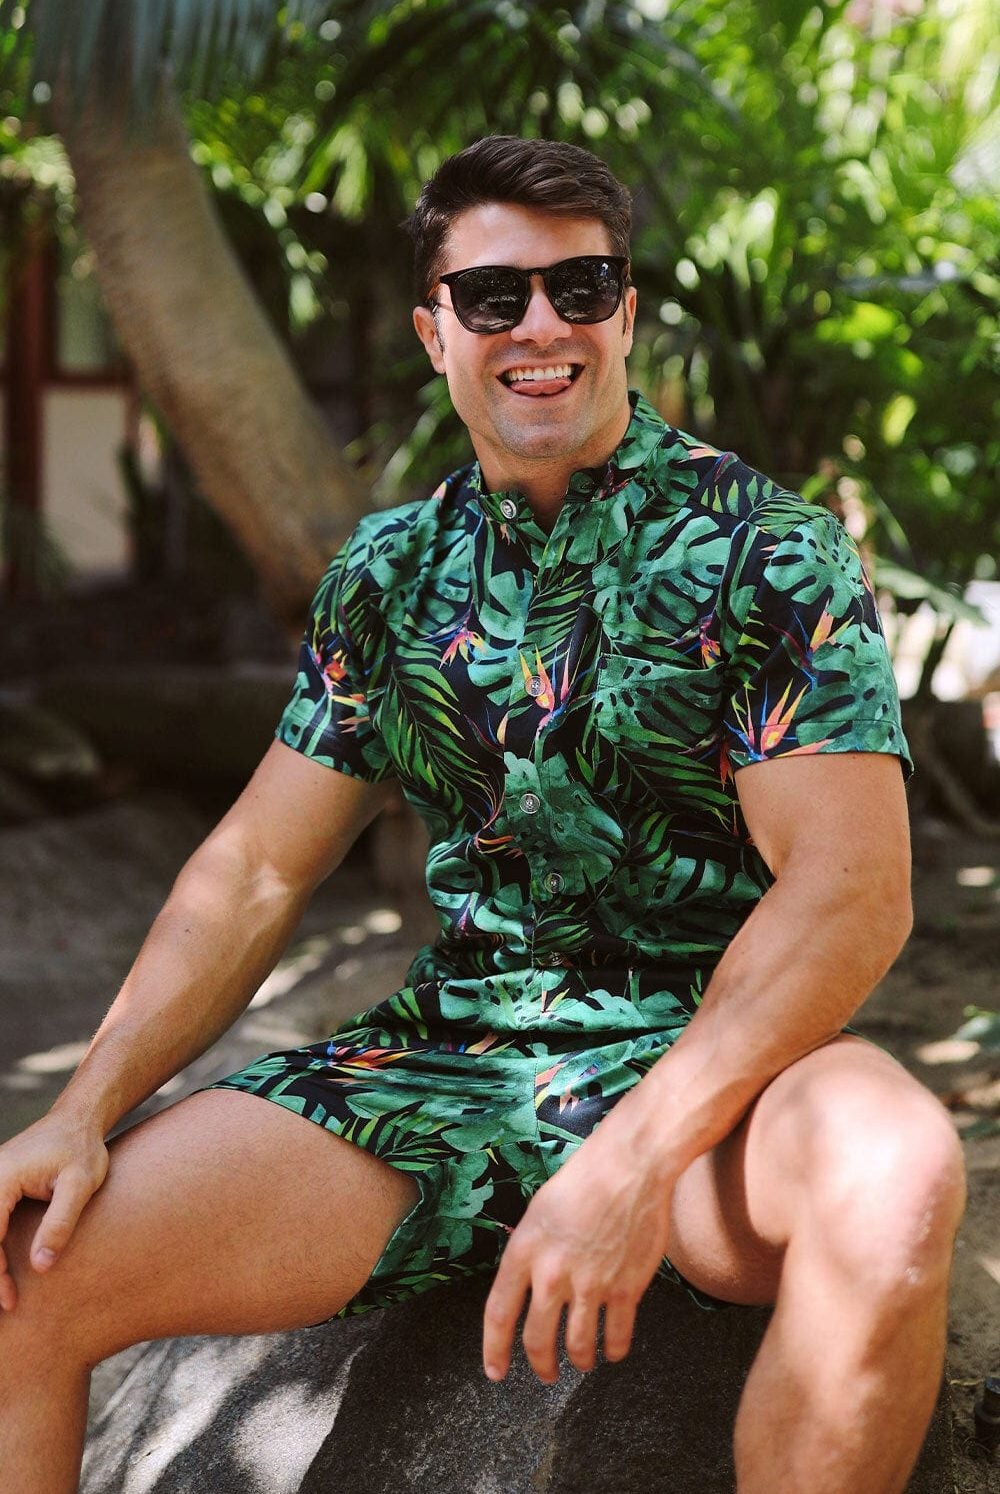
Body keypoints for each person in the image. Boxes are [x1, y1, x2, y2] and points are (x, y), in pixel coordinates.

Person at [0, 136, 965, 1494]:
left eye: (583, 286)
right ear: (434, 330)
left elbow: (850, 890)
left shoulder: (768, 550)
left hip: (721, 1077)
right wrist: (84, 1108)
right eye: (495, 295)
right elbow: (259, 866)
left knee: (898, 1175)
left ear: (626, 312)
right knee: (27, 1267)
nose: (542, 325)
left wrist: (628, 1163)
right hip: (450, 1066)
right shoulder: (389, 572)